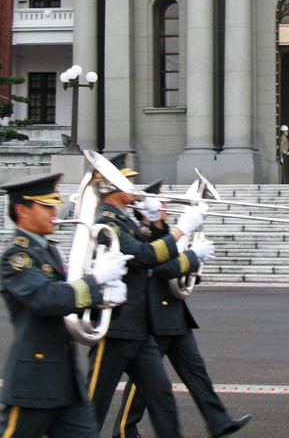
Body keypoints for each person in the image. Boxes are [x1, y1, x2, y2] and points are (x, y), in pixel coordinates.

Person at [111, 182, 251, 438]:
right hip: (153, 315)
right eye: (160, 203)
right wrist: (192, 258)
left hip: (174, 313)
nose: (165, 206)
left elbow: (174, 261)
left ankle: (218, 421)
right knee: (143, 383)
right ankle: (124, 429)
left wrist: (193, 267)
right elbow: (158, 266)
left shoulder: (161, 231)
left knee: (196, 370)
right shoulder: (141, 232)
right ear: (146, 209)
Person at [0, 173, 130, 438]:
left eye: (54, 205)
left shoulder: (47, 251)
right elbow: (46, 300)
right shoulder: (17, 256)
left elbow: (69, 302)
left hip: (64, 377)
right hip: (35, 380)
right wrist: (95, 281)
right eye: (46, 206)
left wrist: (105, 298)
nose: (54, 212)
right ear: (22, 210)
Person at [86, 153, 206, 438]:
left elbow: (153, 249)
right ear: (111, 187)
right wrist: (181, 232)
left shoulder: (126, 222)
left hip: (139, 329)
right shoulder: (108, 222)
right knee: (92, 408)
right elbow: (146, 255)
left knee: (162, 397)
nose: (134, 188)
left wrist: (156, 223)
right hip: (115, 328)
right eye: (127, 182)